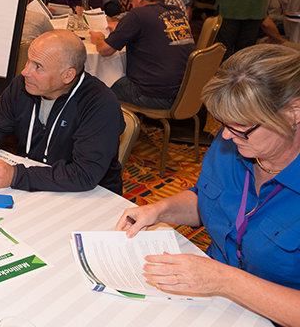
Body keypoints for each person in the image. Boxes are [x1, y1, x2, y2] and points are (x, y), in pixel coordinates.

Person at [115, 45, 300, 327]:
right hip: (210, 300)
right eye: (222, 122)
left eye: (241, 125)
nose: (226, 134)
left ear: (293, 112)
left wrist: (225, 281)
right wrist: (161, 209)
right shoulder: (233, 143)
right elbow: (210, 199)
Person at [0, 30, 124, 194]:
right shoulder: (22, 86)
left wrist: (16, 176)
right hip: (35, 187)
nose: (25, 72)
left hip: (90, 198)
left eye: (38, 67)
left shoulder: (100, 104)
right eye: (28, 61)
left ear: (68, 75)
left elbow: (84, 174)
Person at [91, 0, 195, 109]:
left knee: (97, 81)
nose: (131, 2)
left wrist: (99, 39)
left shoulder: (137, 15)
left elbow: (105, 50)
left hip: (153, 95)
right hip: (185, 92)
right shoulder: (177, 13)